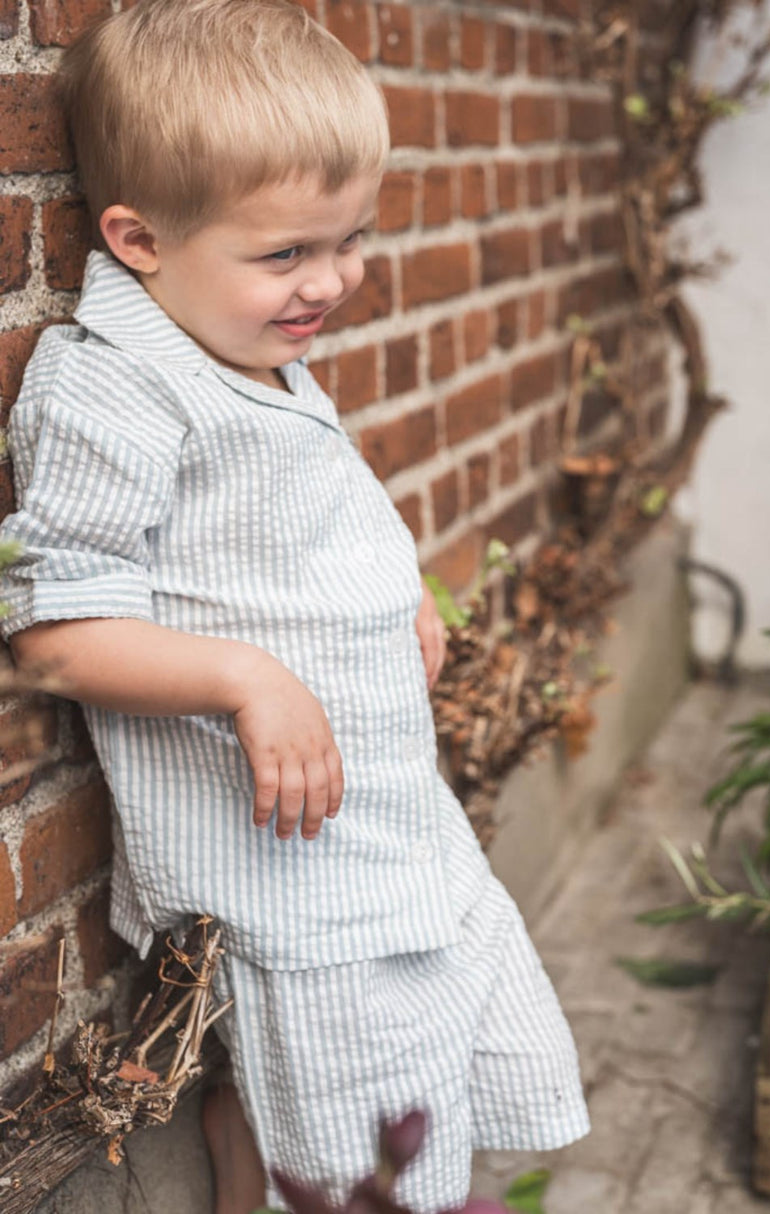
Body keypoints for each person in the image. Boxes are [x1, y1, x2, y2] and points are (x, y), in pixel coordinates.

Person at [0, 2, 590, 1211]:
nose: (330, 281)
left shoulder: (234, 341)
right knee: (341, 1136)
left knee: (382, 1087)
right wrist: (246, 678)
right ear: (138, 238)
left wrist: (401, 591)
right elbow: (57, 634)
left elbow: (299, 522)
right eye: (286, 255)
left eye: (350, 240)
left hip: (381, 833)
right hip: (292, 877)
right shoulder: (112, 390)